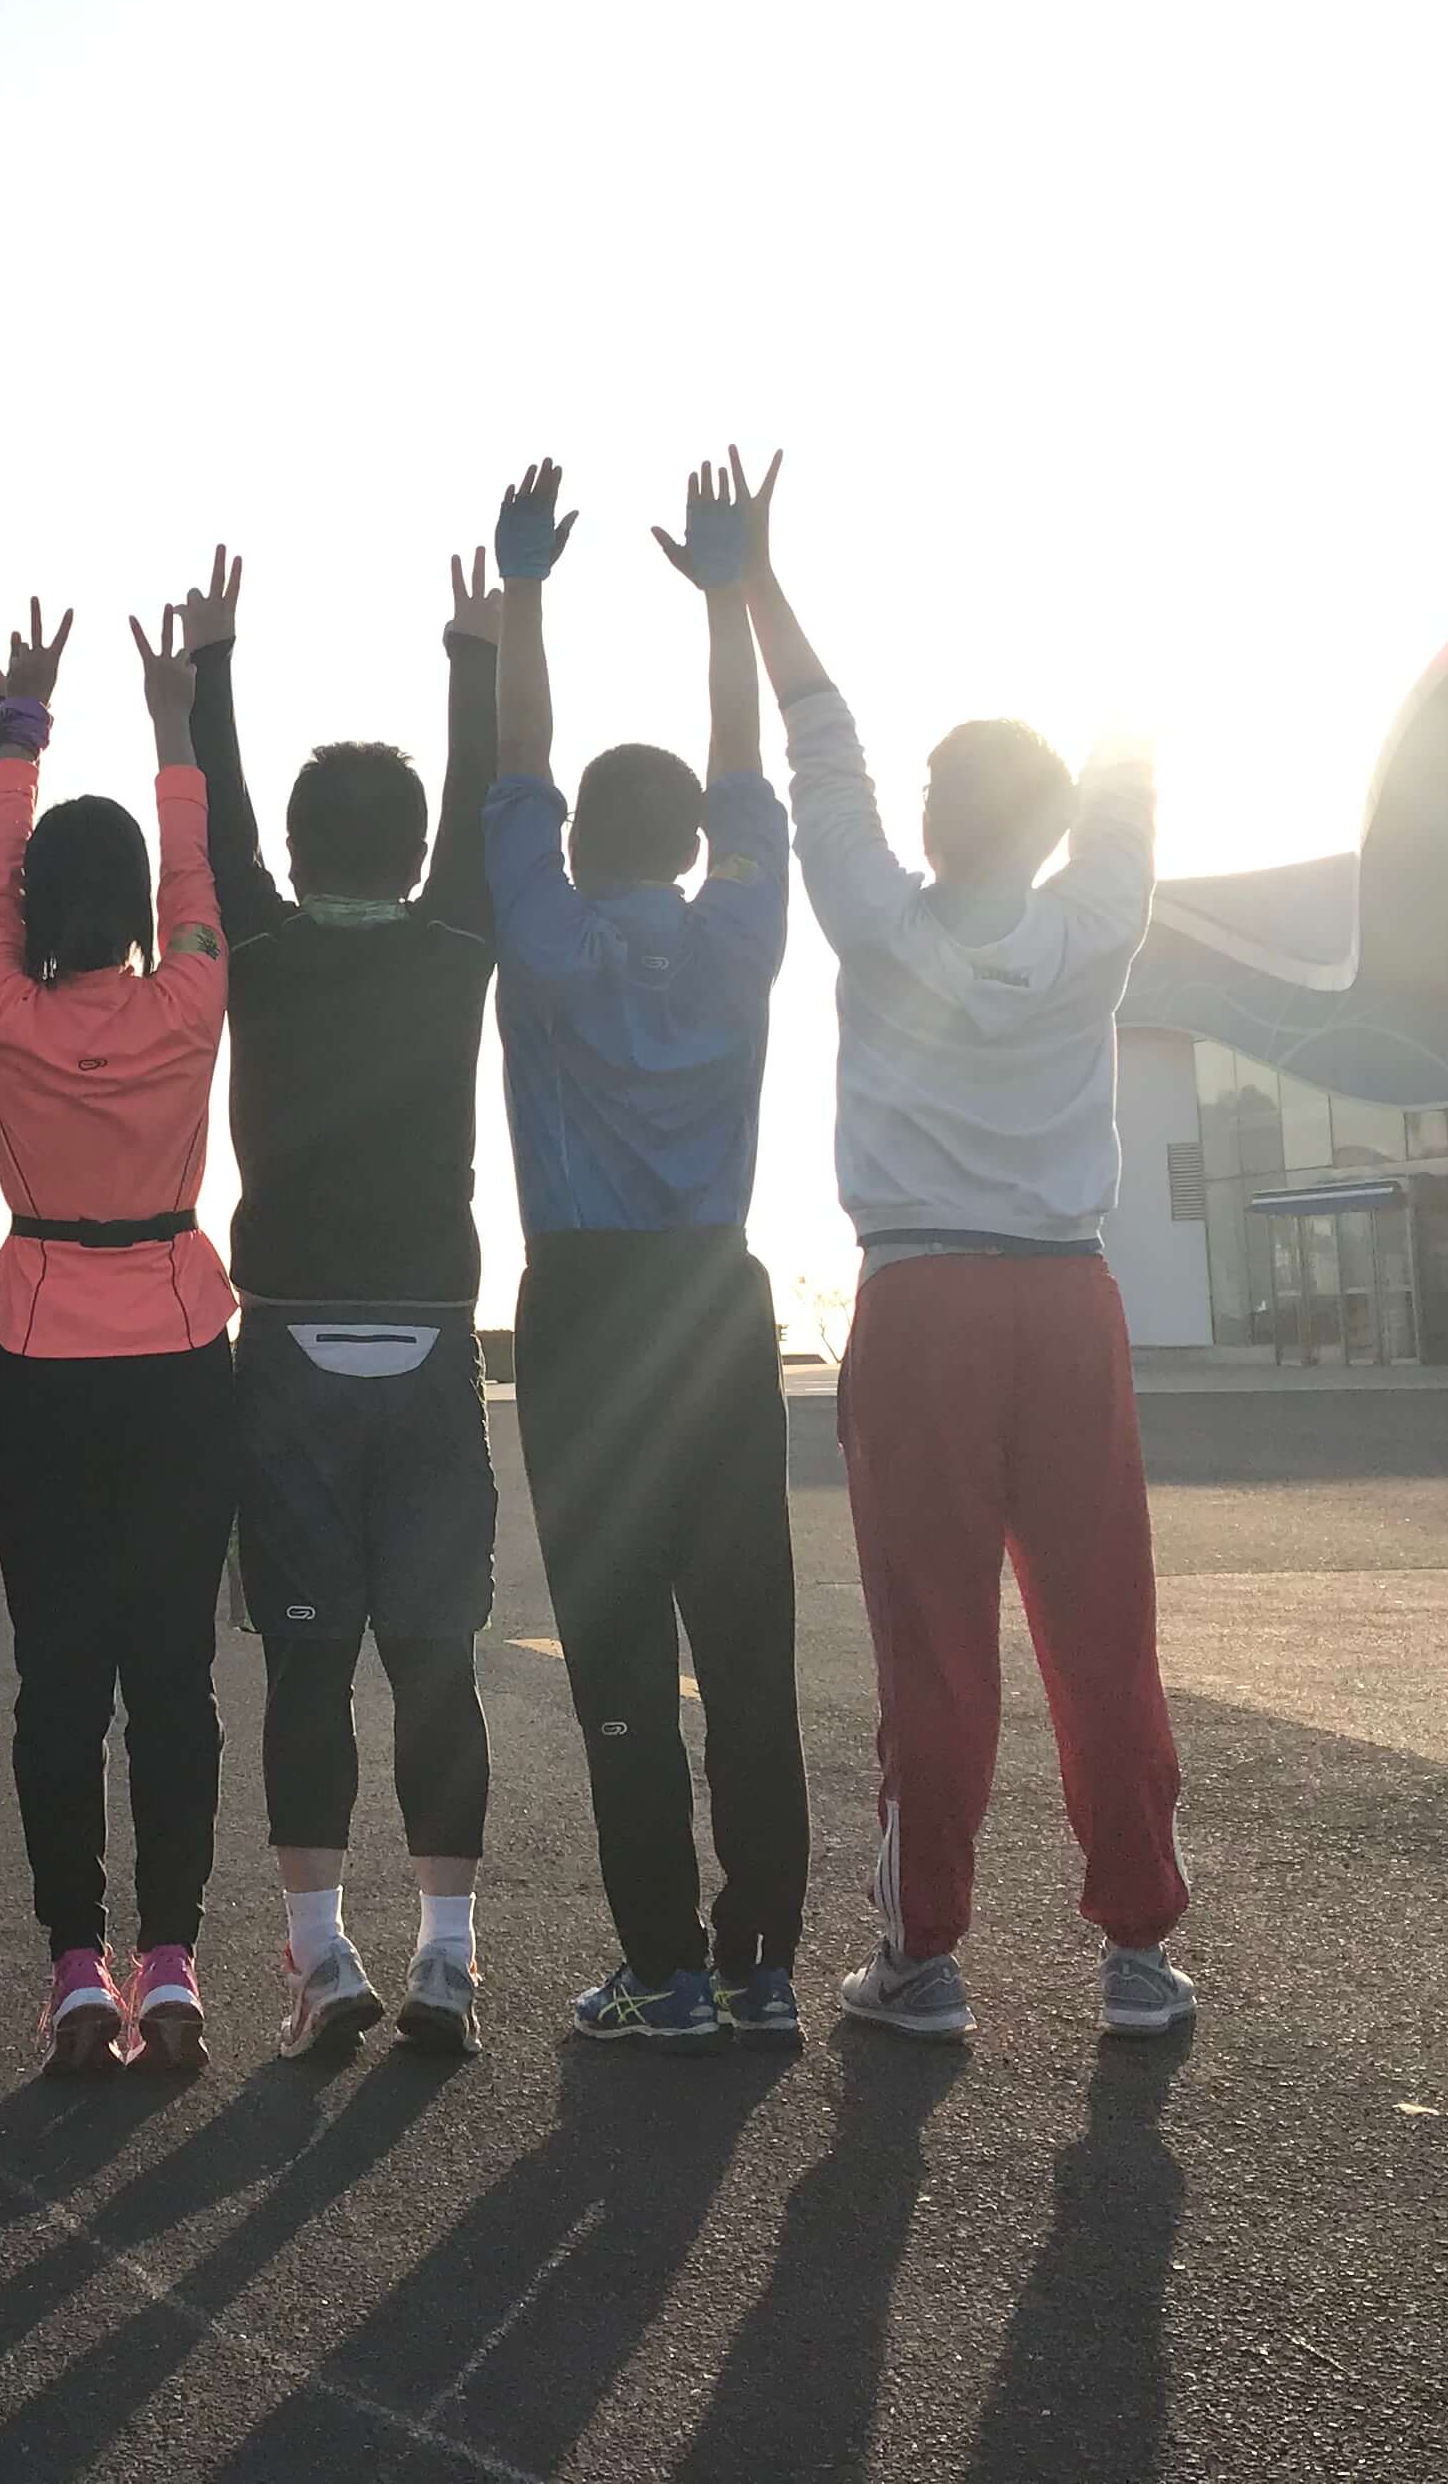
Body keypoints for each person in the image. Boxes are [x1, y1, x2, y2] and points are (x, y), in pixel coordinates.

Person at [729, 447, 1196, 2042]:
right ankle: (1137, 1955)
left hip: (925, 1300)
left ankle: (922, 1961)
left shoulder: (879, 921)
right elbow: (1129, 764)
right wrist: (1140, 567)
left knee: (934, 1641)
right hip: (1067, 1299)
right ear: (1056, 827)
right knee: (1102, 1626)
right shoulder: (1098, 922)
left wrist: (755, 578)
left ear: (935, 817)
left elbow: (822, 745)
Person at [483, 457, 809, 2051]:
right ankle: (764, 1966)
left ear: (578, 843)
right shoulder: (740, 932)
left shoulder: (543, 938)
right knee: (747, 1645)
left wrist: (524, 595)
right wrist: (730, 600)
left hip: (589, 1305)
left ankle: (665, 1970)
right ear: (690, 843)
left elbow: (519, 770)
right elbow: (746, 775)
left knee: (618, 1646)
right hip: (716, 1299)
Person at [181, 538, 507, 2059]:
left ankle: (320, 1961)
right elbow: (480, 814)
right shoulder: (457, 945)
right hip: (432, 1348)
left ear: (304, 859)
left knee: (306, 1667)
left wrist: (212, 672)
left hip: (291, 1351)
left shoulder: (261, 946)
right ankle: (447, 1958)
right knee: (436, 1664)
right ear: (417, 850)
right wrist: (473, 660)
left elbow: (221, 823)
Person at [0, 597, 240, 2075]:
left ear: (28, 912)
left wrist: (20, 732)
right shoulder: (192, 996)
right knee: (173, 1679)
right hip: (181, 1362)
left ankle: (78, 1968)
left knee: (58, 1680)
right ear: (135, 904)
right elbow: (195, 873)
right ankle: (172, 1962)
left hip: (37, 1365)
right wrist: (174, 722)